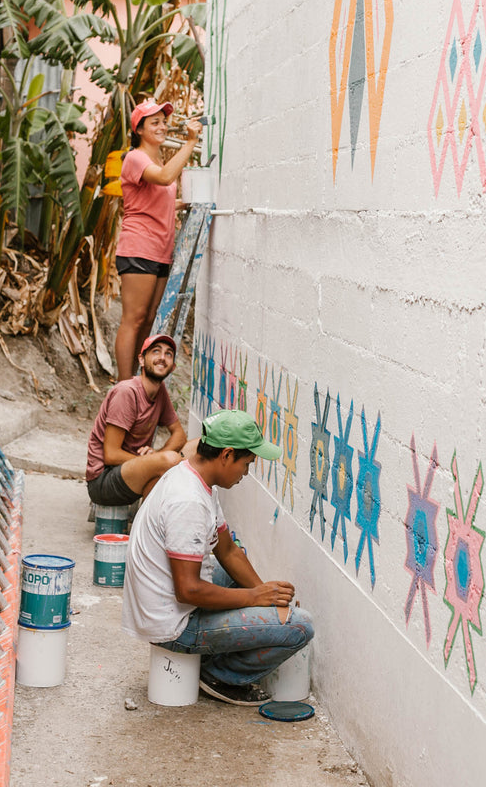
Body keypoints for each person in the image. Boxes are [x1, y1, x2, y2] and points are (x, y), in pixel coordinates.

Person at [122, 409, 315, 705]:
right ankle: (221, 676)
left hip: (169, 603)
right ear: (226, 455)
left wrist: (269, 596)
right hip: (174, 627)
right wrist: (254, 598)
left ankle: (220, 659)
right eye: (246, 464)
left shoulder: (195, 476)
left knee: (241, 571)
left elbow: (227, 550)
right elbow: (188, 590)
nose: (246, 474)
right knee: (301, 626)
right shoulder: (187, 502)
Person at [114, 98, 203, 380]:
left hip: (161, 251)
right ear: (139, 129)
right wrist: (190, 142)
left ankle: (138, 384)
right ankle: (123, 386)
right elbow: (164, 178)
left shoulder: (157, 159)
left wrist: (181, 204)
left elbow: (155, 198)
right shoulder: (136, 157)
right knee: (134, 318)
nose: (163, 126)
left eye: (164, 121)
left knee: (150, 318)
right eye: (155, 122)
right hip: (139, 247)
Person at [86, 334, 186, 507]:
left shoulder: (159, 390)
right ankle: (149, 526)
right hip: (103, 480)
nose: (162, 358)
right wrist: (155, 459)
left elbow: (179, 435)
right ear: (141, 360)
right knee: (170, 461)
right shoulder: (127, 392)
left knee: (197, 448)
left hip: (130, 470)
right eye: (156, 351)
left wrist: (155, 455)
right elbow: (111, 454)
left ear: (173, 367)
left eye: (168, 354)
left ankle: (148, 520)